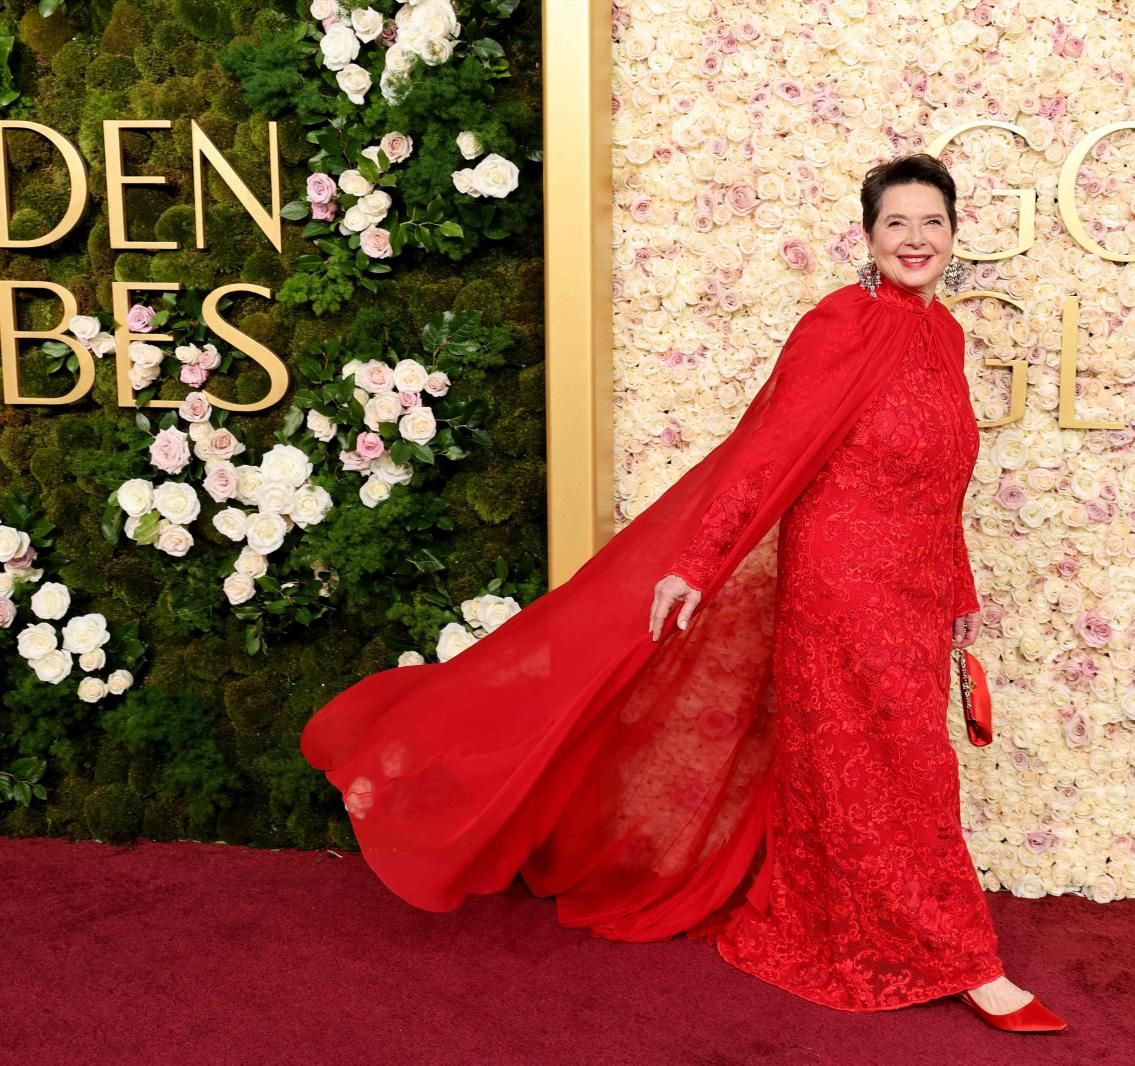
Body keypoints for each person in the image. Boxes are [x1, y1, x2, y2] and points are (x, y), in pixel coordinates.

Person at [300, 154, 1065, 1034]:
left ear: (955, 234)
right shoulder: (838, 326)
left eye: (932, 222)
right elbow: (766, 452)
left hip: (917, 590)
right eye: (897, 223)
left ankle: (856, 930)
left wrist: (957, 587)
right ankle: (970, 961)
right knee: (896, 770)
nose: (916, 239)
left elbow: (942, 479)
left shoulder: (944, 336)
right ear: (867, 238)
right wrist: (696, 562)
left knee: (888, 770)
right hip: (841, 586)